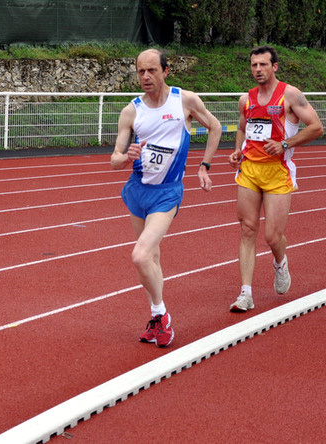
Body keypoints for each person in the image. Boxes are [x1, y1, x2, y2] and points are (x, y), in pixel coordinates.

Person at [111, 48, 222, 347]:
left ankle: (161, 314)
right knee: (152, 258)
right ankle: (156, 319)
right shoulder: (131, 111)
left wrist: (204, 165)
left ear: (165, 71)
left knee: (140, 255)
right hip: (137, 191)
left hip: (167, 193)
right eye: (140, 72)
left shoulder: (184, 100)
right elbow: (114, 157)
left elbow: (215, 127)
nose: (146, 77)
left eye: (152, 71)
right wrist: (124, 156)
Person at [228, 45, 323, 312]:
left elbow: (316, 127)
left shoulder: (290, 95)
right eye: (253, 65)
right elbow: (244, 128)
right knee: (247, 230)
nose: (257, 69)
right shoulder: (245, 99)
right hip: (249, 171)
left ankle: (280, 261)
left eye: (263, 65)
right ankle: (245, 293)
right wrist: (237, 150)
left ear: (275, 67)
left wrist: (285, 144)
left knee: (272, 235)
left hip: (278, 172)